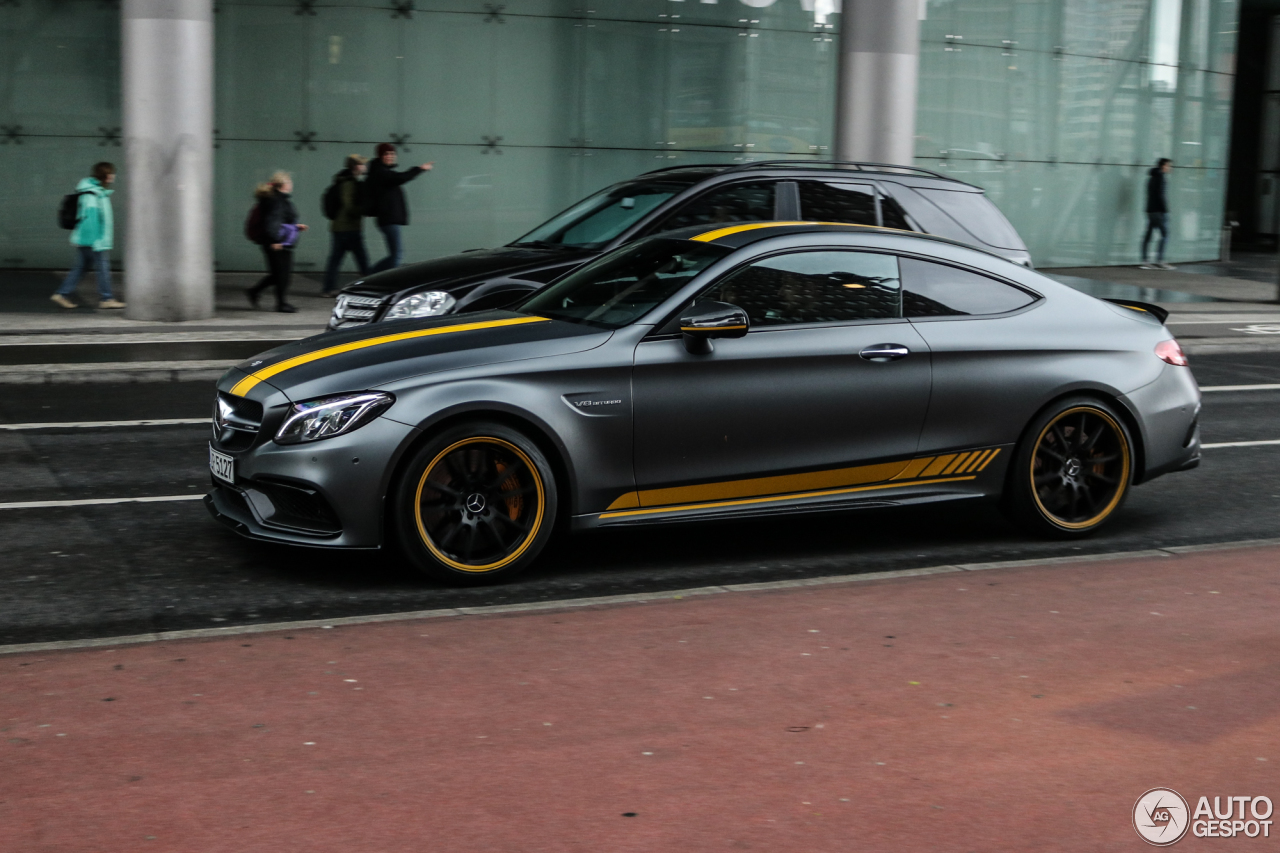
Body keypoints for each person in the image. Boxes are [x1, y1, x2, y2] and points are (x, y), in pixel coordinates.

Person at [51, 162, 125, 309]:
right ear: (107, 176)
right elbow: (90, 221)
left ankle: (62, 294)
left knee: (80, 268)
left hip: (88, 240)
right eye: (111, 173)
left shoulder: (95, 192)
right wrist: (98, 242)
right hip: (94, 241)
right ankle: (107, 298)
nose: (113, 176)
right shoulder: (92, 194)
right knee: (103, 268)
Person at [246, 171, 308, 313]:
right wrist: (275, 241)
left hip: (277, 241)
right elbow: (272, 222)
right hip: (278, 243)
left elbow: (280, 221)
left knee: (277, 274)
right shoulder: (277, 201)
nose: (291, 184)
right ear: (283, 185)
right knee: (283, 275)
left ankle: (254, 292)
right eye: (289, 182)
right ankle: (281, 304)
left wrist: (296, 227)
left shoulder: (277, 199)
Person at [366, 142, 433, 273]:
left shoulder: (381, 171)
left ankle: (370, 275)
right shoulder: (380, 172)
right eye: (386, 154)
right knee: (397, 256)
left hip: (389, 218)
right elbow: (401, 178)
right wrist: (420, 169)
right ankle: (372, 277)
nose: (390, 156)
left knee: (395, 255)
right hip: (388, 219)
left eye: (392, 154)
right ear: (380, 156)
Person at [322, 154, 370, 295]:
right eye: (362, 164)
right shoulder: (348, 183)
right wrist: (362, 210)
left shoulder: (346, 180)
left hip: (341, 227)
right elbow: (348, 205)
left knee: (336, 259)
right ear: (356, 166)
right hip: (348, 227)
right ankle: (370, 287)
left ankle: (328, 288)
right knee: (362, 260)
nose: (365, 167)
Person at [1141, 158, 1173, 270]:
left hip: (1150, 210)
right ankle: (1160, 260)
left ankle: (1145, 260)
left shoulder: (1151, 177)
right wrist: (1165, 210)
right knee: (1165, 235)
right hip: (1159, 211)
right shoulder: (1161, 178)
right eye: (1168, 166)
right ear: (1163, 166)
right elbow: (1161, 195)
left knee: (1148, 235)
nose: (1170, 168)